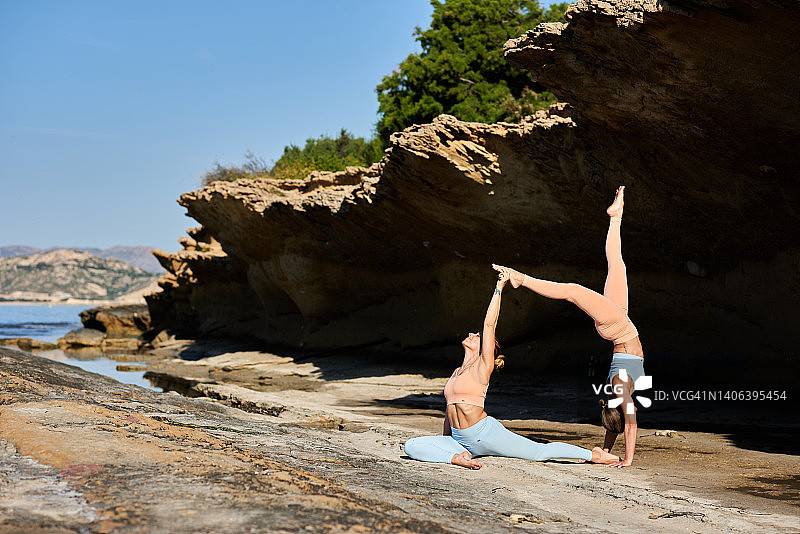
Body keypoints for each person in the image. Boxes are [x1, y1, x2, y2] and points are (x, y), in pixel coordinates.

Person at [403, 267, 620, 469]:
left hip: (484, 434)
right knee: (410, 446)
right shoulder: (456, 372)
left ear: (485, 348)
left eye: (477, 336)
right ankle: (456, 459)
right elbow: (449, 414)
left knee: (538, 452)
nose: (471, 334)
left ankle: (595, 455)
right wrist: (446, 442)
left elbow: (489, 325)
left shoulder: (483, 365)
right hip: (460, 441)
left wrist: (499, 287)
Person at [493, 186, 643, 468]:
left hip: (619, 329)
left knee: (574, 290)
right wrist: (615, 456)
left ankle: (520, 278)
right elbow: (621, 426)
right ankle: (616, 217)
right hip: (619, 328)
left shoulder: (621, 392)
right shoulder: (617, 397)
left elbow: (628, 427)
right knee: (617, 267)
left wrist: (625, 459)